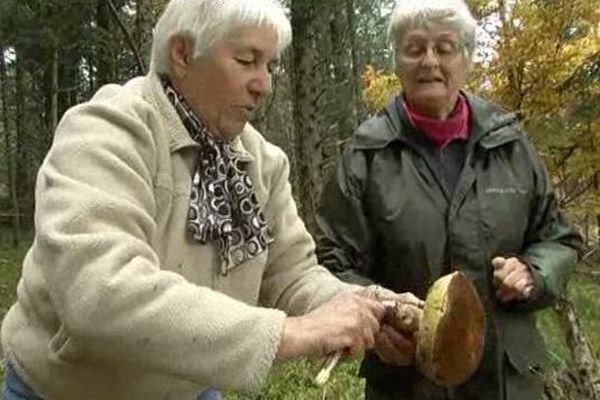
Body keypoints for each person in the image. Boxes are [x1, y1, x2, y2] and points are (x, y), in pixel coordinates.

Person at [0, 0, 423, 399]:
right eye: (246, 61)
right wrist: (292, 334)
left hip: (191, 389)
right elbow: (100, 292)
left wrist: (366, 306)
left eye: (270, 65)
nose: (263, 85)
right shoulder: (106, 131)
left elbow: (291, 276)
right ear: (182, 54)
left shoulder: (260, 162)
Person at [315, 0, 583, 399]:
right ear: (397, 60)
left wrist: (534, 271)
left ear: (467, 58)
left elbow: (559, 237)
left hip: (507, 378)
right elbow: (331, 262)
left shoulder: (508, 144)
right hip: (406, 382)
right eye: (414, 48)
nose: (429, 62)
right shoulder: (365, 155)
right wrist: (380, 319)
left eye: (444, 48)